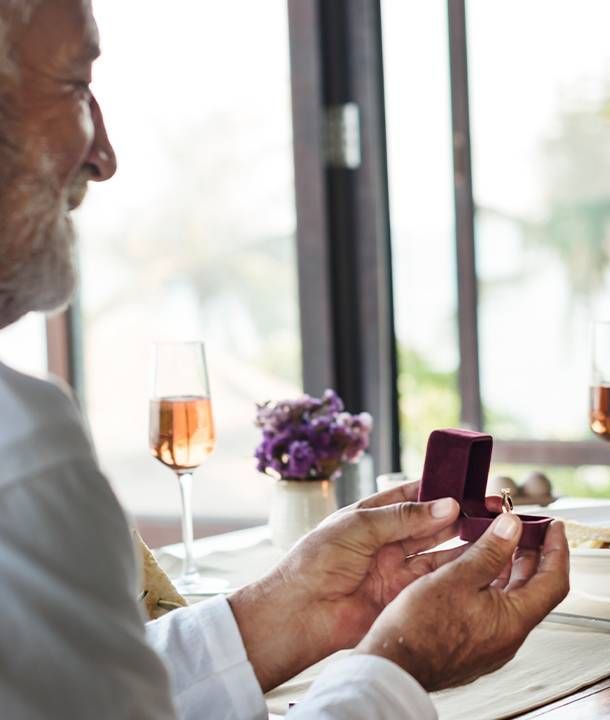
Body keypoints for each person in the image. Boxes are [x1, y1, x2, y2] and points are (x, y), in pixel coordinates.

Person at [0, 1, 570, 718]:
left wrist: (296, 606)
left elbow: (78, 698)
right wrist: (399, 664)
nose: (104, 155)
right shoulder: (20, 450)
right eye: (77, 85)